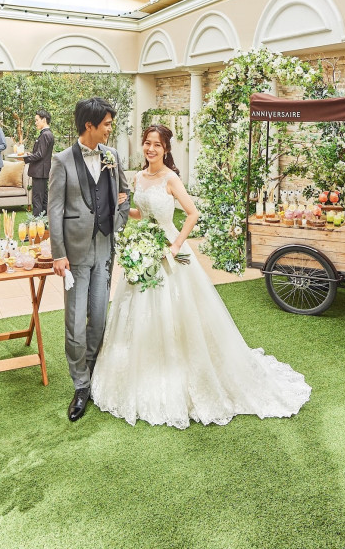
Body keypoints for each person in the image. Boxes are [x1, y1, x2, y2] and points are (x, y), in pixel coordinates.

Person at [91, 124, 311, 429]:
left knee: (178, 310)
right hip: (143, 249)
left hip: (170, 249)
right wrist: (125, 209)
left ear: (166, 149)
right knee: (139, 308)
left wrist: (176, 245)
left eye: (157, 144)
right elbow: (141, 212)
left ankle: (181, 368)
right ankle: (144, 368)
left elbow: (192, 213)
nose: (151, 149)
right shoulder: (138, 177)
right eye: (147, 143)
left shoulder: (170, 178)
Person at [49, 97, 131, 422]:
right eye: (107, 124)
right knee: (75, 322)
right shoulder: (62, 161)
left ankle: (94, 373)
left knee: (98, 316)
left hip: (105, 247)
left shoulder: (113, 156)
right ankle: (80, 384)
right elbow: (54, 210)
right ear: (89, 125)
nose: (110, 129)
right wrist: (58, 254)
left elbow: (125, 193)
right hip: (75, 252)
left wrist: (118, 222)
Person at [23, 110, 54, 217]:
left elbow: (40, 154)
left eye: (37, 120)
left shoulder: (45, 135)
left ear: (44, 120)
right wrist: (31, 154)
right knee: (44, 199)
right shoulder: (47, 134)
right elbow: (42, 153)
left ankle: (35, 223)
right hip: (42, 172)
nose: (35, 123)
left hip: (39, 172)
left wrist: (25, 158)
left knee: (37, 199)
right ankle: (44, 223)